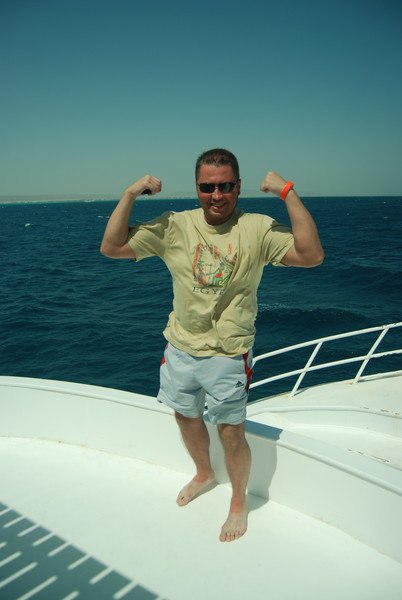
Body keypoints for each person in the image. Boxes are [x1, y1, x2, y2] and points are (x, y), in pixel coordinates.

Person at [100, 148, 324, 542]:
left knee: (231, 432)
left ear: (238, 187)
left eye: (225, 186)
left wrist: (286, 191)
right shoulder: (174, 226)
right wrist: (129, 194)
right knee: (185, 417)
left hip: (228, 353)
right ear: (197, 188)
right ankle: (204, 473)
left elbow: (311, 255)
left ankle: (238, 501)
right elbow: (112, 247)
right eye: (207, 187)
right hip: (180, 347)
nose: (216, 195)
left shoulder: (256, 228)